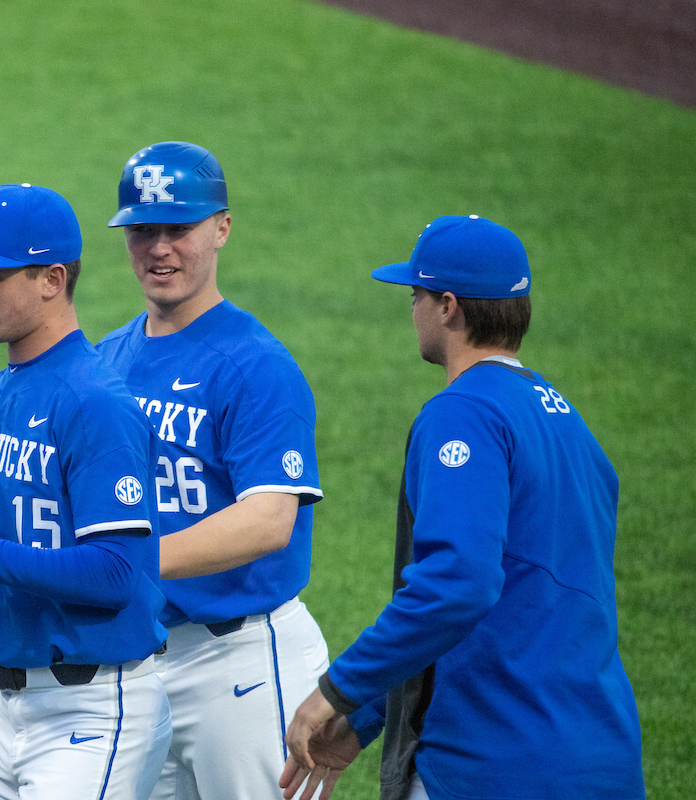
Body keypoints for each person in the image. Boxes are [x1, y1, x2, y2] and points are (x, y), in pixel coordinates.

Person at [280, 215, 646, 800]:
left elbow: (458, 584)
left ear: (448, 306)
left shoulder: (465, 413)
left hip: (495, 763)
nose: (413, 310)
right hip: (598, 756)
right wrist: (370, 715)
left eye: (415, 294)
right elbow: (525, 596)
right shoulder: (566, 421)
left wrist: (336, 692)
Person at [0, 183, 171, 799]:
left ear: (52, 279)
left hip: (94, 710)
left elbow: (117, 574)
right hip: (9, 710)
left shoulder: (94, 403)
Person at [96, 141, 330, 800]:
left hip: (247, 665)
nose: (160, 248)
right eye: (143, 230)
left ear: (221, 227)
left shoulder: (257, 365)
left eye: (180, 229)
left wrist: (130, 563)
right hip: (142, 664)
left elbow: (267, 521)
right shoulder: (106, 360)